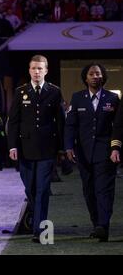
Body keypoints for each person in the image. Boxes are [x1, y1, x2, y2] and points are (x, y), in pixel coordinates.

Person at [7, 55, 65, 243]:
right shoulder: (20, 92)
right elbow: (14, 122)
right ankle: (36, 220)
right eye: (34, 68)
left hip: (47, 149)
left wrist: (62, 148)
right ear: (29, 70)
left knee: (42, 189)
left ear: (46, 71)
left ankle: (39, 229)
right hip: (25, 149)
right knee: (30, 188)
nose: (37, 71)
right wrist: (12, 145)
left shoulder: (55, 92)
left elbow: (61, 122)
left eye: (40, 68)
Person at [65, 63, 120, 242]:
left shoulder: (113, 98)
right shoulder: (77, 98)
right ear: (85, 78)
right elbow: (71, 125)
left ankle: (103, 226)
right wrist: (68, 147)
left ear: (103, 77)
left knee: (103, 190)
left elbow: (118, 127)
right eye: (92, 74)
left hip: (105, 153)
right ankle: (96, 223)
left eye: (98, 74)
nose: (95, 76)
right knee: (89, 190)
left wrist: (115, 148)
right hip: (83, 153)